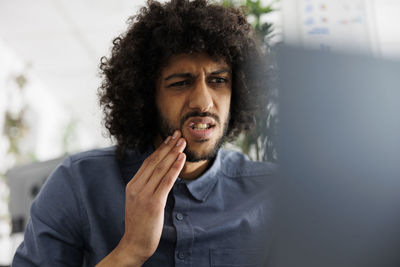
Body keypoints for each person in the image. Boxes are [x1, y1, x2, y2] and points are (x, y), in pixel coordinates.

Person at [12, 0, 276, 266]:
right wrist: (131, 250)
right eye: (181, 83)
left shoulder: (273, 195)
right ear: (148, 97)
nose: (204, 102)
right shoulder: (79, 184)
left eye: (218, 81)